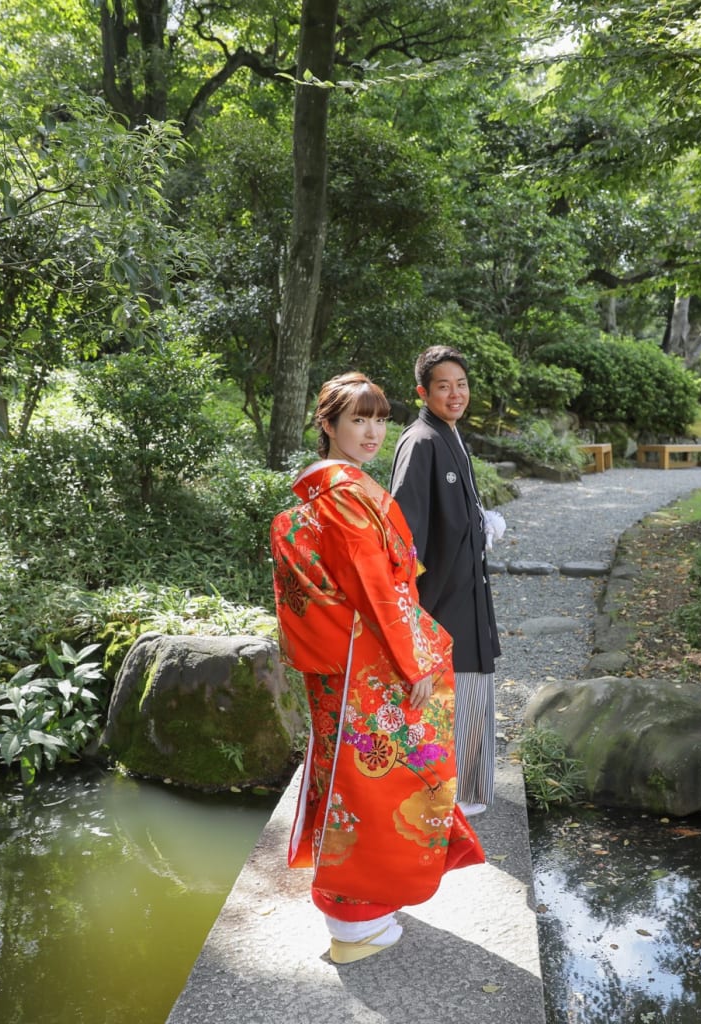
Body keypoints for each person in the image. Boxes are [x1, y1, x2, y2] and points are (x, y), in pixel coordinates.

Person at [270, 371, 484, 966]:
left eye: (378, 418)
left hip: (341, 660)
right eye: (357, 419)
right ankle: (355, 915)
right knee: (375, 779)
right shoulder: (346, 496)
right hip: (372, 658)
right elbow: (377, 589)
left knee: (349, 775)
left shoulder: (323, 493)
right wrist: (414, 659)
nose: (371, 431)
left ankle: (361, 906)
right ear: (328, 425)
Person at [389, 346, 503, 818]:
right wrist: (408, 611)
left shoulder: (449, 434)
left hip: (465, 588)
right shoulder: (421, 441)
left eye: (461, 384)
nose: (455, 394)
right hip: (439, 597)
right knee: (451, 693)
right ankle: (448, 790)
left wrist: (482, 523)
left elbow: (459, 514)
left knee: (474, 686)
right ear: (422, 392)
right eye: (443, 386)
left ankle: (467, 788)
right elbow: (403, 533)